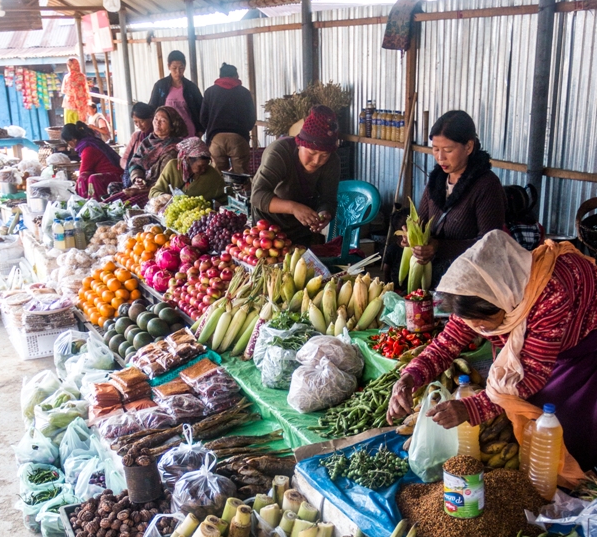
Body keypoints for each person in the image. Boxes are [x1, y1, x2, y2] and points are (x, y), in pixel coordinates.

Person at [387, 230, 597, 477]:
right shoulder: (477, 290)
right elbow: (446, 345)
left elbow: (531, 374)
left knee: (561, 418)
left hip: (582, 343)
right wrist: (409, 378)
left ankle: (580, 470)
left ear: (506, 301)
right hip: (544, 341)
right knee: (522, 408)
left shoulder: (551, 294)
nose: (481, 330)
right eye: (473, 323)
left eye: (486, 322)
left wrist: (471, 408)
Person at [392, 110, 506, 287]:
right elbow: (420, 223)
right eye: (435, 149)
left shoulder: (486, 185)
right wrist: (410, 237)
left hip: (468, 285)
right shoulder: (437, 180)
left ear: (468, 147)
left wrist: (439, 247)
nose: (440, 157)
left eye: (448, 150)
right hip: (434, 281)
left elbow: (490, 245)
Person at [250, 105, 340, 247]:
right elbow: (257, 196)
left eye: (324, 155)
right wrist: (293, 207)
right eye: (311, 153)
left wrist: (325, 213)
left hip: (301, 230)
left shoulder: (332, 162)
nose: (317, 161)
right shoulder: (279, 152)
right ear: (299, 144)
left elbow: (328, 199)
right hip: (268, 232)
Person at [200, 63, 256, 175]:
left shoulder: (210, 92)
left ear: (220, 76)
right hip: (238, 138)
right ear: (235, 76)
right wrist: (244, 131)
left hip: (216, 139)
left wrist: (211, 130)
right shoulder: (244, 92)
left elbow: (203, 118)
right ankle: (241, 191)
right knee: (241, 177)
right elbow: (251, 118)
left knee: (217, 178)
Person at [128, 106, 188, 191]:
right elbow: (135, 162)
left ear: (172, 126)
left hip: (157, 191)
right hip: (141, 185)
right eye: (155, 119)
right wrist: (137, 178)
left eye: (163, 121)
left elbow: (165, 181)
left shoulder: (174, 149)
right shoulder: (147, 141)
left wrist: (140, 190)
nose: (157, 123)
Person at [148, 137, 226, 202]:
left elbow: (224, 197)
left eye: (206, 166)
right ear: (188, 159)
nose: (203, 170)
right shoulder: (173, 166)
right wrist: (164, 197)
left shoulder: (212, 175)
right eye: (200, 166)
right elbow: (153, 192)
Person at [61, 122, 122, 199]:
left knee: (85, 178)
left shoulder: (88, 149)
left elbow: (83, 172)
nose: (69, 146)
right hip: (113, 175)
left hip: (117, 176)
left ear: (73, 139)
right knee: (88, 177)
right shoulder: (90, 142)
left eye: (68, 143)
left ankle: (90, 203)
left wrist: (75, 192)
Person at [149, 50, 203, 137]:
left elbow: (201, 110)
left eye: (181, 68)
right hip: (165, 132)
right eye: (174, 68)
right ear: (168, 66)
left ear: (185, 67)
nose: (178, 72)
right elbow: (152, 108)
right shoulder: (160, 86)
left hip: (189, 132)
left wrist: (200, 130)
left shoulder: (191, 88)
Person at [119, 102, 155, 183]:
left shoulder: (156, 139)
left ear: (151, 118)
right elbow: (124, 159)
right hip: (135, 178)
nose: (138, 125)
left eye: (142, 121)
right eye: (135, 122)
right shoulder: (136, 136)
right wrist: (132, 170)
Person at [60, 57, 90, 124]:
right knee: (80, 126)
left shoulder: (67, 77)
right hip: (81, 106)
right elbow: (85, 90)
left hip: (69, 105)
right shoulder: (82, 76)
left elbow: (63, 90)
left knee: (69, 126)